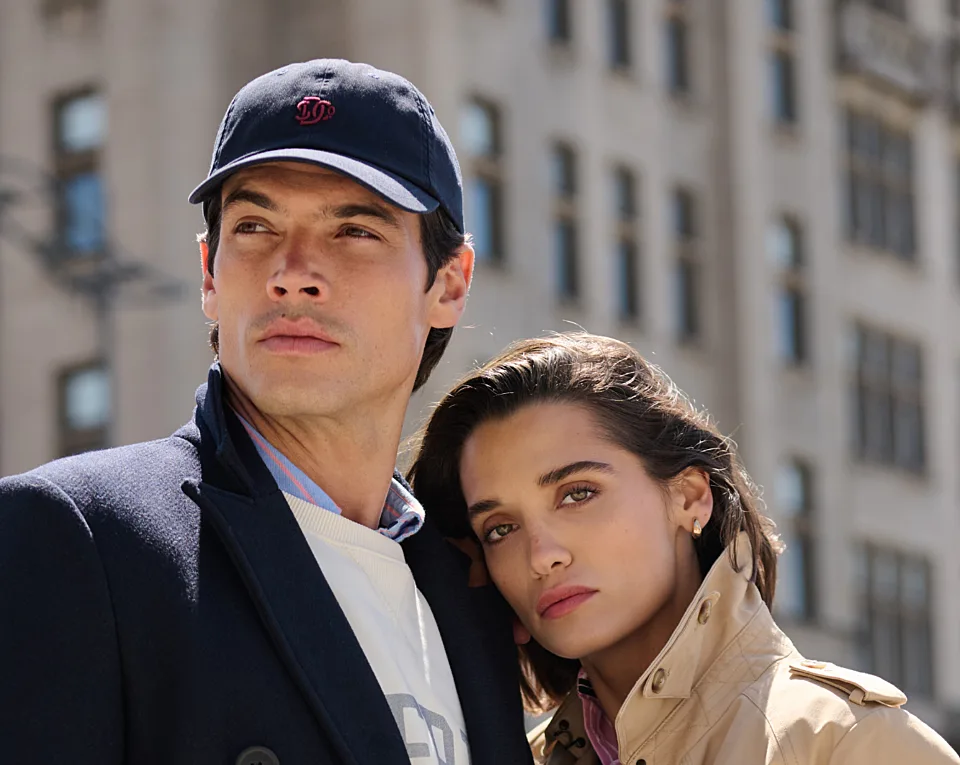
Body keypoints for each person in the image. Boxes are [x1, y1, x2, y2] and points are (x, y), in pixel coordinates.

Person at [0, 59, 532, 765]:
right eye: (254, 226)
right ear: (209, 273)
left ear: (449, 284)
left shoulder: (475, 592)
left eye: (354, 230)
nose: (292, 272)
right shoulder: (79, 540)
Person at [408, 333, 960, 765]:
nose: (540, 555)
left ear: (690, 497)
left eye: (577, 494)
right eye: (500, 529)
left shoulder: (841, 744)